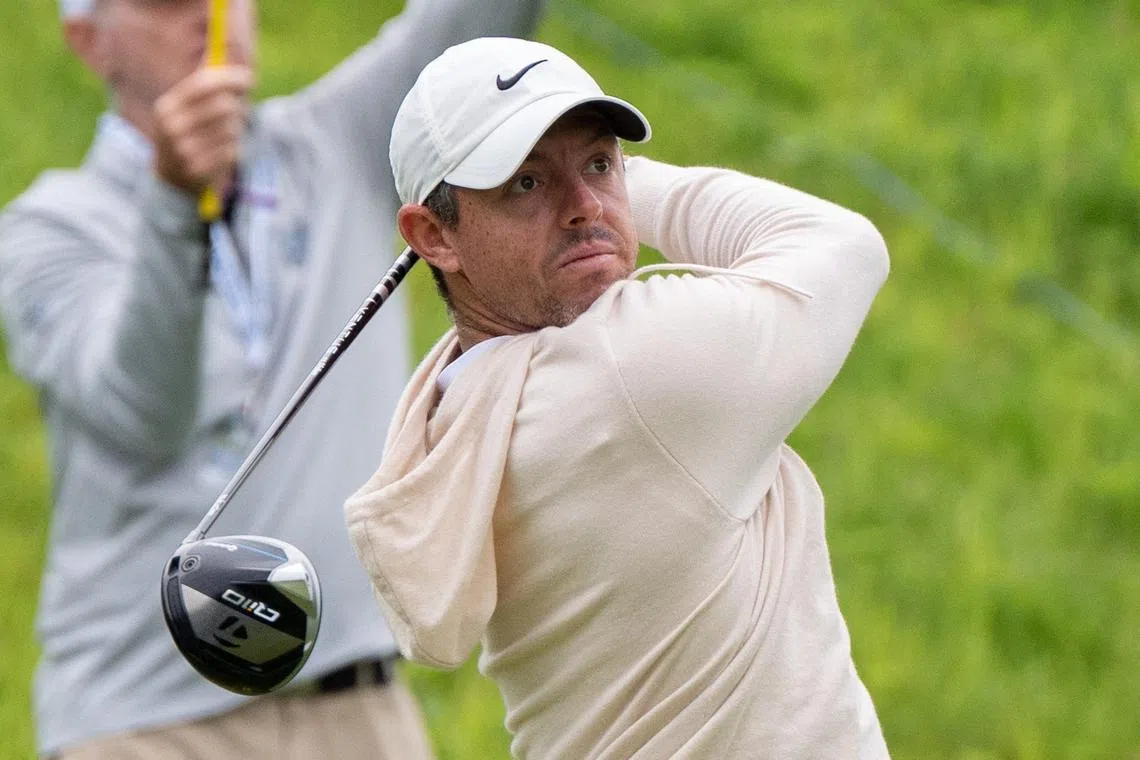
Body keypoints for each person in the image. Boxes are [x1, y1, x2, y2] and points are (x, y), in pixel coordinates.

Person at [0, 1, 547, 757]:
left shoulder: (341, 138)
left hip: (358, 703)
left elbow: (481, 14)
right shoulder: (46, 227)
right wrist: (173, 202)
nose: (207, 14)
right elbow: (146, 411)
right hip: (145, 721)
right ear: (88, 41)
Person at [345, 36, 893, 759]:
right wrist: (628, 192)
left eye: (600, 164)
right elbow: (846, 246)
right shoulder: (635, 365)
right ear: (432, 235)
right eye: (526, 183)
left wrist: (581, 188)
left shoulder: (452, 407)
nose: (582, 206)